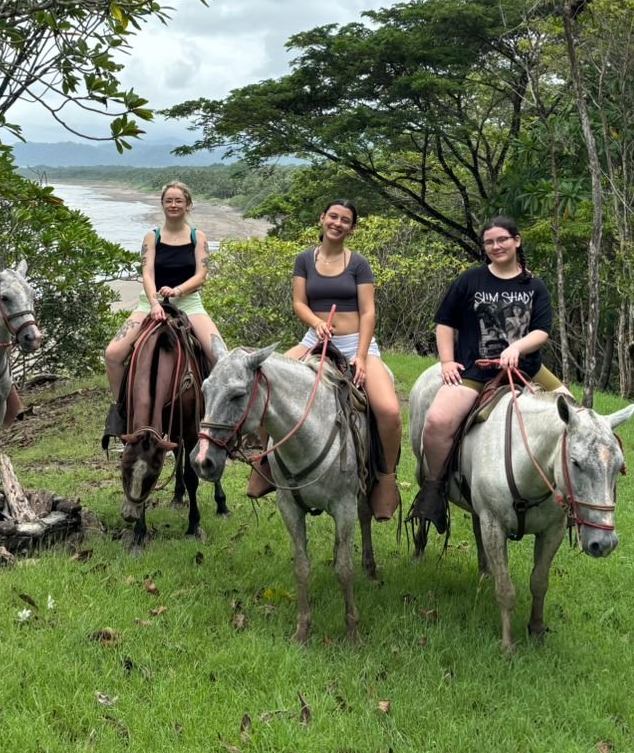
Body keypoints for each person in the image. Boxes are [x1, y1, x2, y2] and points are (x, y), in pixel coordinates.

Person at [250, 199, 402, 521]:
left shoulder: (358, 264)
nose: (337, 223)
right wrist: (315, 323)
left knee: (388, 410)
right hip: (314, 340)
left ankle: (386, 479)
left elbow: (368, 311)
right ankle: (264, 462)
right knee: (264, 381)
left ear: (352, 228)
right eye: (333, 216)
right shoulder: (305, 259)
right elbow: (299, 302)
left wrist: (360, 356)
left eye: (345, 220)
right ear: (322, 219)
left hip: (354, 343)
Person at [411, 215, 562, 532]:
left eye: (502, 240)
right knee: (437, 422)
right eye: (490, 242)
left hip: (528, 369)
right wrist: (447, 361)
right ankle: (434, 489)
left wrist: (517, 348)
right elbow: (445, 323)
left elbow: (541, 332)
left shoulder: (534, 286)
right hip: (476, 370)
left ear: (517, 241)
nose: (496, 246)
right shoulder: (470, 281)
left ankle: (569, 499)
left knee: (576, 416)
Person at [103, 181, 226, 442]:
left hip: (188, 303)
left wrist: (179, 291)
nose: (173, 205)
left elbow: (201, 274)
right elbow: (147, 273)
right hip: (151, 302)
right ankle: (122, 410)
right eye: (168, 201)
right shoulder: (152, 237)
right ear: (162, 204)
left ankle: (216, 416)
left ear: (188, 205)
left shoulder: (197, 237)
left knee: (219, 355)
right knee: (113, 354)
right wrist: (156, 302)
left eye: (178, 201)